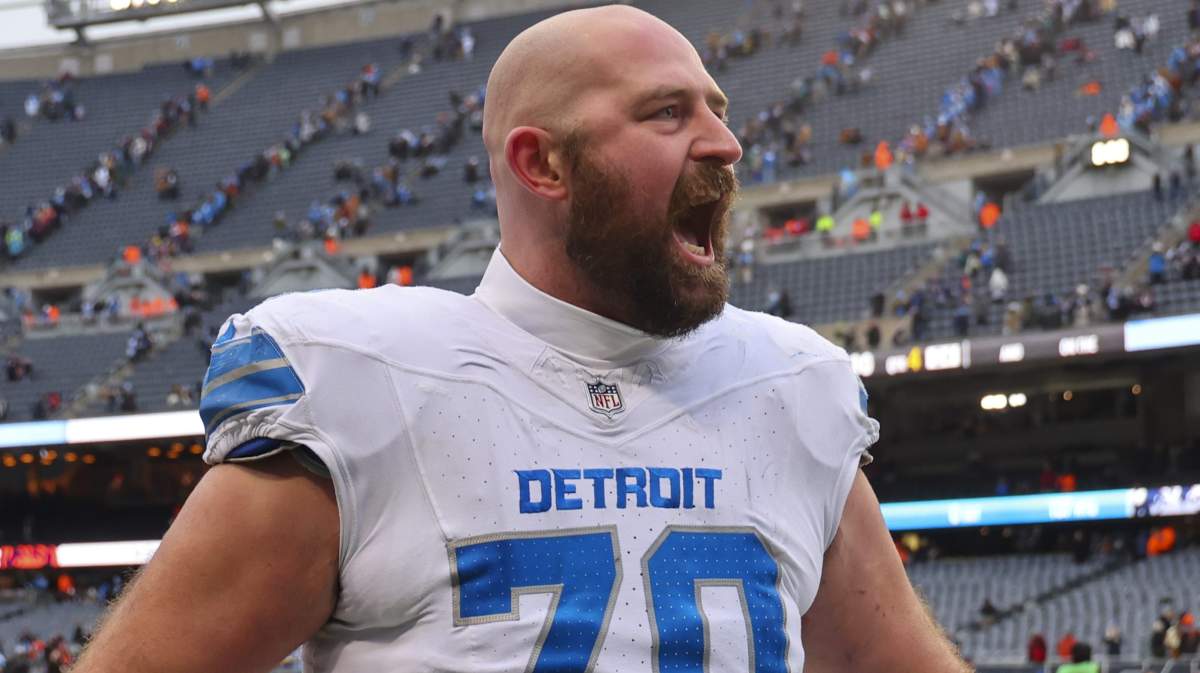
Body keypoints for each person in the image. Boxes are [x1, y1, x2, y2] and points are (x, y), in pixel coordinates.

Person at [72, 7, 970, 673]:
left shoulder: (790, 386)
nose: (726, 143)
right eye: (667, 113)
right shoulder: (364, 380)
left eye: (716, 108)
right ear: (542, 163)